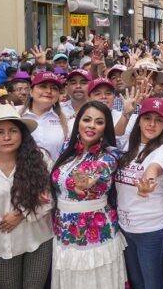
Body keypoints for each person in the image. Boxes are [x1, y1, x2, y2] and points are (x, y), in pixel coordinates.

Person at [0, 105, 54, 289]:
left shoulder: (39, 158)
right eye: (0, 132)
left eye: (13, 131)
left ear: (22, 134)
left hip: (38, 239)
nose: (7, 137)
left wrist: (21, 212)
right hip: (2, 245)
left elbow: (52, 195)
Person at [50, 101, 127, 288]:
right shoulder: (67, 148)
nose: (92, 125)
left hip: (95, 230)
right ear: (78, 122)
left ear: (105, 128)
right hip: (64, 229)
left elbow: (97, 171)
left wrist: (85, 183)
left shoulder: (110, 156)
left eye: (99, 122)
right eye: (87, 120)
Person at [115, 97, 163, 289]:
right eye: (147, 117)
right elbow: (111, 135)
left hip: (151, 230)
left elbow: (154, 169)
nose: (152, 124)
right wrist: (126, 112)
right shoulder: (126, 146)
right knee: (137, 282)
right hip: (125, 227)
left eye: (159, 120)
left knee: (153, 284)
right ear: (138, 119)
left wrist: (147, 182)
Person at [22, 72, 69, 160]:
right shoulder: (15, 115)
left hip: (54, 172)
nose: (48, 91)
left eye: (54, 88)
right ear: (31, 92)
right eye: (43, 86)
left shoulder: (68, 119)